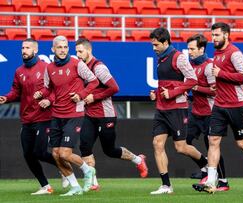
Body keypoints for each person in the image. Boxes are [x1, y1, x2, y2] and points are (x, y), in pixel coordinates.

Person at [192, 22, 243, 194]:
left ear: (226, 35)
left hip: (237, 105)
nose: (214, 38)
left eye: (217, 35)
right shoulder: (216, 53)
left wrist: (221, 74)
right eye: (213, 35)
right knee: (213, 140)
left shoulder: (234, 53)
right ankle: (212, 181)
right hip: (219, 104)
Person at [75, 38, 148, 191]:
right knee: (84, 146)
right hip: (90, 115)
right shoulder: (81, 68)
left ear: (89, 50)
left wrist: (94, 97)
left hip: (105, 115)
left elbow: (114, 88)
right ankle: (94, 182)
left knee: (110, 150)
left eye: (80, 51)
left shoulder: (99, 67)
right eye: (76, 52)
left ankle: (138, 159)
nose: (78, 54)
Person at [0, 38, 70, 195]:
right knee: (28, 154)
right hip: (27, 119)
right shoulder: (19, 71)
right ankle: (46, 186)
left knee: (39, 152)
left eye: (27, 48)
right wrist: (7, 98)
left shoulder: (46, 68)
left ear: (35, 50)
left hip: (44, 118)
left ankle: (63, 167)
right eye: (22, 48)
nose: (24, 50)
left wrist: (49, 100)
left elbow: (56, 90)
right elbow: (15, 91)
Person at [33, 35, 99, 196]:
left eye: (65, 47)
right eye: (59, 47)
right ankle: (75, 186)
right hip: (57, 114)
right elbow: (49, 89)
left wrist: (81, 95)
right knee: (56, 154)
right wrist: (41, 93)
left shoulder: (77, 64)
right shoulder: (49, 68)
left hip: (74, 113)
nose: (63, 50)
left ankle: (87, 169)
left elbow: (94, 81)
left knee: (65, 153)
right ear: (53, 49)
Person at [148, 27, 208, 195]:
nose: (153, 48)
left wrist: (173, 93)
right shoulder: (160, 58)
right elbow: (166, 83)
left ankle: (206, 164)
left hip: (177, 109)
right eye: (152, 45)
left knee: (181, 147)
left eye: (156, 45)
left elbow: (192, 80)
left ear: (166, 42)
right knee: (157, 144)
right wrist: (156, 92)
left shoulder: (179, 57)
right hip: (161, 108)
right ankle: (166, 185)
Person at [186, 34, 229, 191]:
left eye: (192, 49)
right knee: (184, 142)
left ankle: (223, 181)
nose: (189, 52)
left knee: (212, 147)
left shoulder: (209, 66)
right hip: (195, 111)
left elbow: (215, 91)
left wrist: (196, 88)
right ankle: (205, 166)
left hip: (210, 113)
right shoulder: (190, 65)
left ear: (201, 49)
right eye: (188, 49)